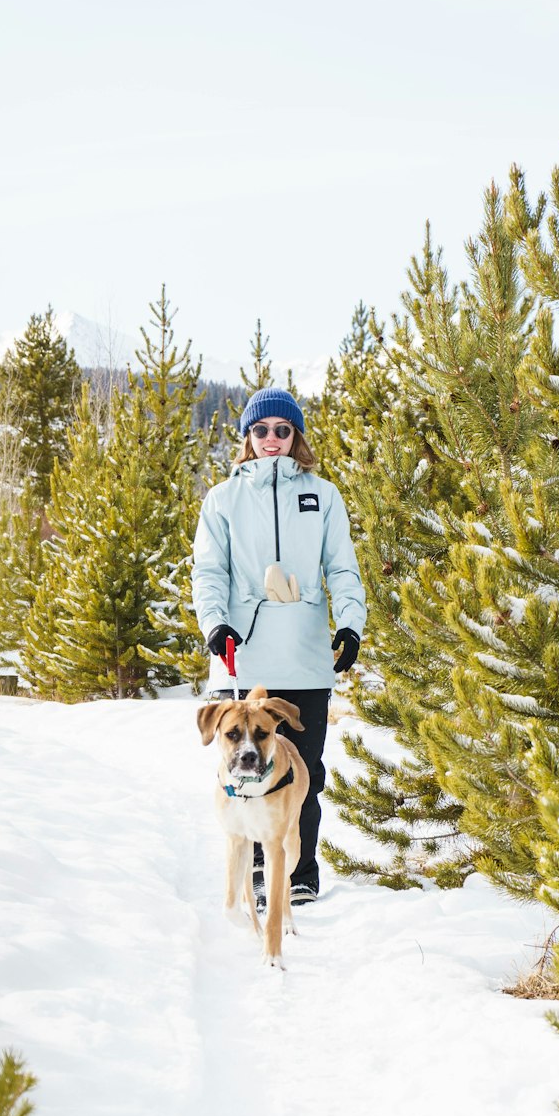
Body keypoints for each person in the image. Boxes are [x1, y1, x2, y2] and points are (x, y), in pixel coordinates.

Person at [191, 386, 366, 906]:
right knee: (250, 769)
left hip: (307, 659)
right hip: (244, 655)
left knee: (303, 773)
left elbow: (342, 567)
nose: (272, 439)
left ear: (296, 437)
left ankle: (302, 871)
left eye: (282, 431)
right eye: (262, 430)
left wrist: (351, 625)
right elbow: (208, 572)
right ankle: (263, 872)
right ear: (248, 436)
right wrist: (215, 624)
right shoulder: (223, 498)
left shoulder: (323, 495)